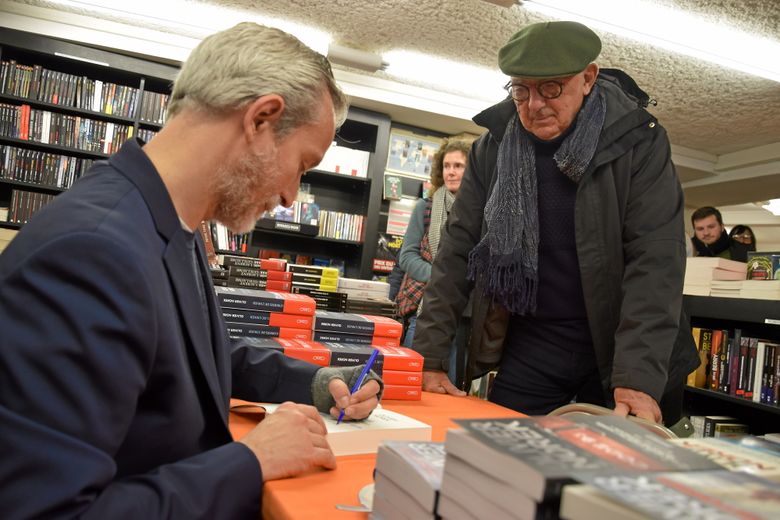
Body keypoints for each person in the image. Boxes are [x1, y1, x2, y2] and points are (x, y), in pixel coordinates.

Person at [0, 23, 383, 518]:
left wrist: (316, 381)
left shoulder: (165, 221)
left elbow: (191, 354)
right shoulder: (91, 253)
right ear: (261, 119)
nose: (292, 196)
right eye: (302, 165)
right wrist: (249, 461)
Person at [413, 20, 697, 427]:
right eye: (521, 89)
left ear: (588, 78)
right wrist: (431, 358)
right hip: (537, 343)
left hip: (624, 342)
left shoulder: (637, 142)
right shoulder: (490, 150)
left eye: (551, 88)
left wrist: (636, 377)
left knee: (612, 479)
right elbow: (455, 255)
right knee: (500, 454)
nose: (535, 105)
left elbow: (655, 261)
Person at [396, 138, 471, 385]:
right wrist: (442, 280)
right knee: (414, 380)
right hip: (426, 308)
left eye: (458, 165)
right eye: (447, 165)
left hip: (465, 315)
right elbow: (406, 256)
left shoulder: (479, 212)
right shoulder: (425, 208)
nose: (450, 171)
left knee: (455, 387)